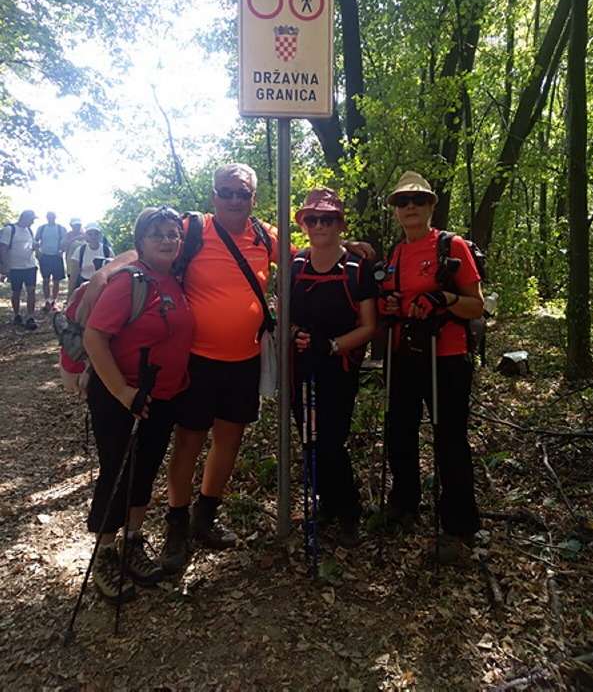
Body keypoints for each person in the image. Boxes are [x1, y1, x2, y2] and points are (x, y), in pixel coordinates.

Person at [83, 162, 374, 575]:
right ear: (214, 195)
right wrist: (107, 270)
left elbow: (313, 252)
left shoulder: (264, 235)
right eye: (227, 192)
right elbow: (150, 245)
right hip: (197, 361)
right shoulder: (193, 228)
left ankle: (205, 515)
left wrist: (352, 245)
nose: (235, 200)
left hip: (244, 360)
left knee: (229, 440)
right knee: (189, 441)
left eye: (243, 193)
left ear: (253, 198)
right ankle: (177, 523)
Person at [83, 206, 193, 601]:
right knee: (118, 471)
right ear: (140, 242)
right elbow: (94, 337)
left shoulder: (175, 280)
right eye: (157, 234)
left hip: (162, 396)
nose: (167, 240)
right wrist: (122, 391)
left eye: (173, 233)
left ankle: (133, 540)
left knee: (144, 470)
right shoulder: (129, 282)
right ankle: (105, 553)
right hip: (121, 396)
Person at [380, 171, 483, 565]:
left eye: (418, 200)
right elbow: (390, 299)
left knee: (449, 439)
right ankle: (405, 502)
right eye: (402, 202)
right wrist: (392, 305)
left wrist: (443, 299)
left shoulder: (450, 246)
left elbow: (476, 305)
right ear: (395, 210)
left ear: (430, 206)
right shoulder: (395, 253)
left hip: (447, 356)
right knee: (399, 432)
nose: (410, 207)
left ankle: (458, 523)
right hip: (403, 355)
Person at [291, 189, 377, 547]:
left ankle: (348, 511)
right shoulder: (296, 264)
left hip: (338, 367)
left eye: (327, 219)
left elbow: (369, 326)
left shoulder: (357, 267)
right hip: (302, 367)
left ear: (340, 223)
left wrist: (332, 345)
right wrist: (295, 334)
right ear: (303, 224)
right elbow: (287, 316)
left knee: (330, 441)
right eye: (312, 219)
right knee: (309, 439)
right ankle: (326, 502)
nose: (319, 225)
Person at [0, 209, 38, 330]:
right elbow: (3, 248)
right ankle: (17, 315)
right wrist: (4, 266)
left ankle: (30, 317)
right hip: (15, 267)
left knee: (31, 291)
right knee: (16, 292)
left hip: (30, 266)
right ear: (24, 218)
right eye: (31, 219)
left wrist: (35, 247)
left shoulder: (29, 230)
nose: (32, 222)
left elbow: (30, 246)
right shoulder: (10, 230)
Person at [68, 222, 113, 296]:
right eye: (90, 234)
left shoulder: (107, 251)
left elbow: (113, 270)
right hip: (83, 284)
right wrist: (70, 294)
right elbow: (74, 274)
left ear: (100, 235)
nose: (93, 236)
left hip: (101, 286)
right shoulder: (80, 251)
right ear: (86, 236)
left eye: (96, 234)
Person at [35, 211, 67, 311]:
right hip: (45, 256)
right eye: (49, 216)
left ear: (55, 217)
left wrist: (62, 250)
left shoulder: (61, 228)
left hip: (56, 256)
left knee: (56, 281)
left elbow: (65, 242)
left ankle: (54, 301)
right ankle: (47, 301)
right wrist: (38, 252)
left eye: (52, 216)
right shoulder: (41, 228)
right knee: (45, 280)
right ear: (46, 217)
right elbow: (36, 240)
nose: (50, 218)